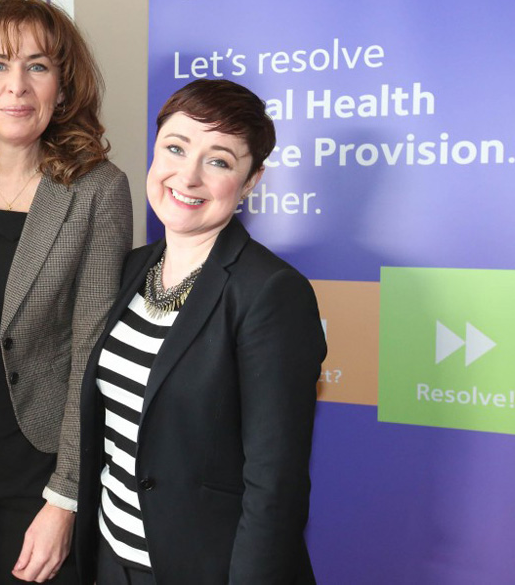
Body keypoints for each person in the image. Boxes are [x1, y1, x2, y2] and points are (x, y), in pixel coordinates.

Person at [75, 79, 327, 584]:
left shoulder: (271, 293)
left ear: (251, 180)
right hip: (110, 560)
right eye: (175, 148)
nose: (186, 177)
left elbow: (273, 486)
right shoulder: (130, 270)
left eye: (219, 161)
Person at [0, 0, 133, 584]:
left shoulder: (97, 190)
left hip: (37, 474)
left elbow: (93, 352)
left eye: (37, 66)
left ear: (63, 88)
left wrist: (64, 501)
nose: (16, 86)